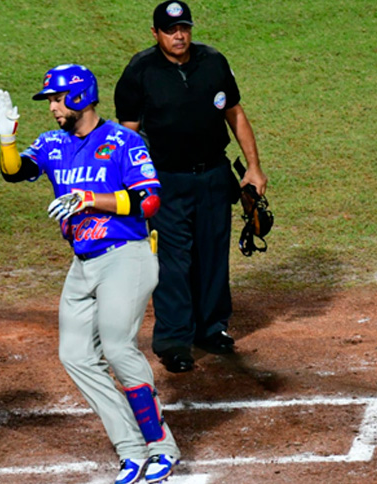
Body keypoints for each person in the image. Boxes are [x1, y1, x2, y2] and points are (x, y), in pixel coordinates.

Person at [0, 64, 180, 484]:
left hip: (125, 256)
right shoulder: (53, 144)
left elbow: (150, 202)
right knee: (74, 354)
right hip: (83, 264)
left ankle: (161, 445)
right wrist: (6, 138)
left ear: (79, 97)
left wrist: (90, 199)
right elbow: (16, 171)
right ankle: (130, 447)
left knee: (116, 346)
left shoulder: (123, 142)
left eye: (57, 99)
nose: (53, 108)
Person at [114, 1, 268, 373]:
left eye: (183, 27)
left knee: (213, 254)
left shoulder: (212, 62)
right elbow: (127, 134)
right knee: (173, 261)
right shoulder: (140, 71)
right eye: (170, 30)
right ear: (155, 34)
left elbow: (235, 113)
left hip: (214, 176)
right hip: (165, 181)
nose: (179, 35)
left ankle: (212, 329)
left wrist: (254, 167)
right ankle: (174, 340)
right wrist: (127, 184)